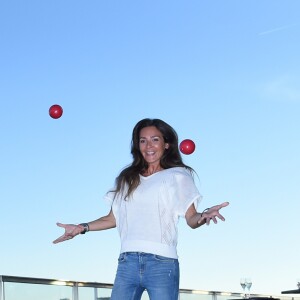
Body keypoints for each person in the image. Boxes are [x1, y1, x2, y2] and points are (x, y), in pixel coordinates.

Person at [53, 118, 229, 300]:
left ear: (166, 144)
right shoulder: (127, 178)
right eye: (143, 140)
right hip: (126, 263)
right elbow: (112, 219)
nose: (148, 146)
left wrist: (204, 215)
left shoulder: (178, 175)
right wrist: (81, 228)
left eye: (155, 139)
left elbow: (192, 218)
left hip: (162, 264)